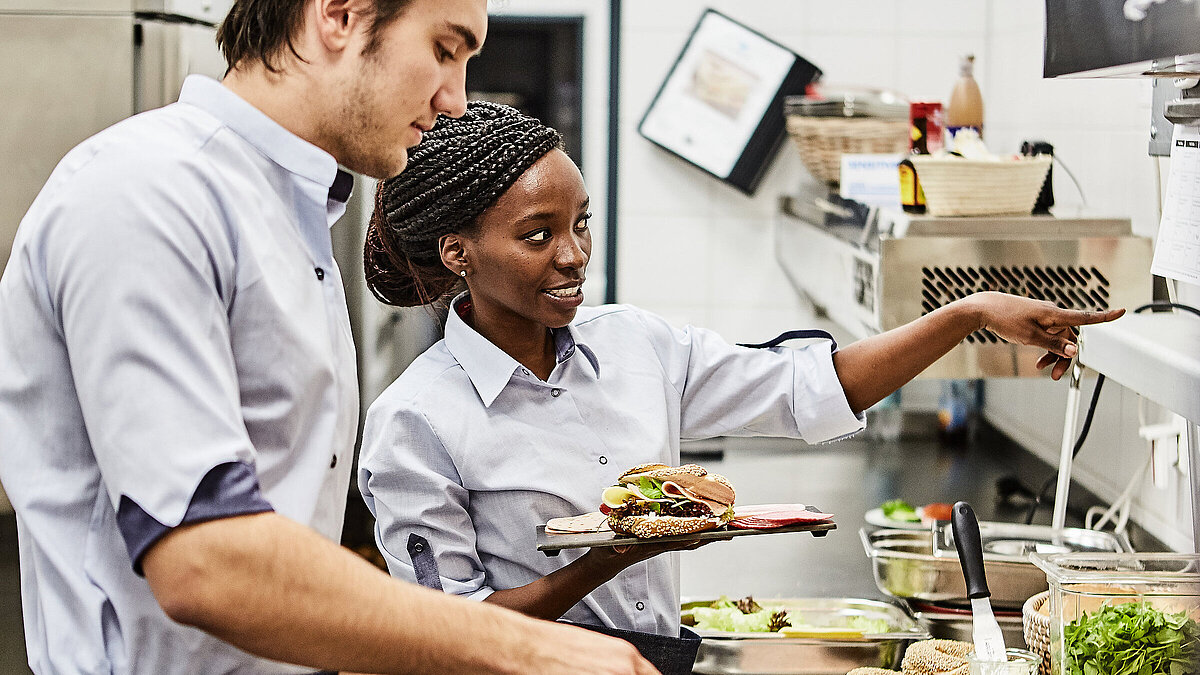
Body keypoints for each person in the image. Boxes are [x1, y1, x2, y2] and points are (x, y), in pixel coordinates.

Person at [0, 1, 659, 674]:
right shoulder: (149, 192)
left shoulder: (293, 216)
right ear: (340, 16)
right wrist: (526, 647)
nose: (456, 101)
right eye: (443, 50)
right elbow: (208, 560)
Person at [357, 102, 1125, 645]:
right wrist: (612, 557)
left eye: (581, 221)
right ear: (458, 253)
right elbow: (453, 632)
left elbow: (808, 387)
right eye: (538, 234)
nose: (574, 254)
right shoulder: (416, 421)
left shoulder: (635, 345)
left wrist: (966, 314)